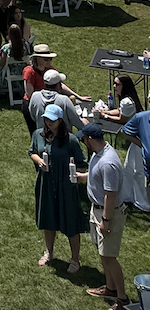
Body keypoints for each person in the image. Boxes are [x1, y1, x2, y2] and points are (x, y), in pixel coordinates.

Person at [29, 103, 86, 272]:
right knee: (48, 218)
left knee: (71, 222)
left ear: (61, 121)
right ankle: (49, 252)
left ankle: (75, 259)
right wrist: (39, 161)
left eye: (52, 120)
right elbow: (32, 151)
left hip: (65, 186)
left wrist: (74, 174)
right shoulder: (38, 135)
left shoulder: (71, 140)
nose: (48, 123)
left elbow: (82, 164)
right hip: (46, 183)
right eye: (46, 119)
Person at [77, 123, 128, 307]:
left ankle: (122, 298)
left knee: (109, 256)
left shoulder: (109, 163)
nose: (83, 142)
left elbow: (111, 194)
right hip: (97, 210)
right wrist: (83, 177)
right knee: (103, 252)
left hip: (108, 213)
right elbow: (97, 176)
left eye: (84, 139)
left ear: (90, 139)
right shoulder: (100, 153)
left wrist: (106, 220)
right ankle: (110, 288)